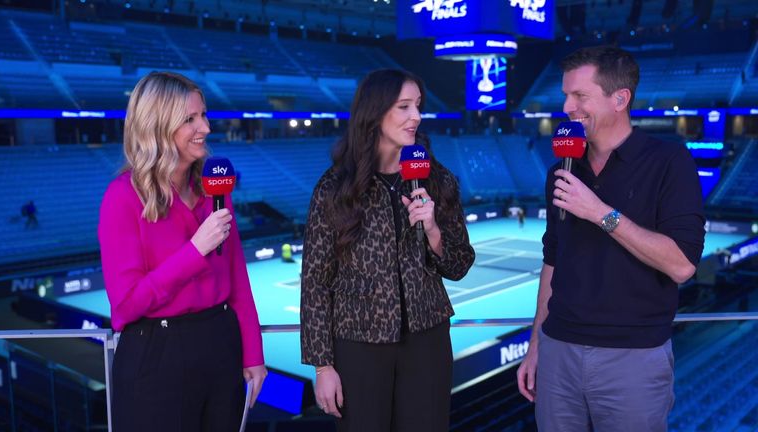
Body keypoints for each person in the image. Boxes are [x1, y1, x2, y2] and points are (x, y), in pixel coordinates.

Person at [516, 45, 705, 432]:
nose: (567, 107)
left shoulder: (670, 162)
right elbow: (553, 261)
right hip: (558, 351)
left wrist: (600, 212)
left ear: (621, 98)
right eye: (566, 95)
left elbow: (682, 265)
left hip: (633, 357)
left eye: (580, 96)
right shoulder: (561, 171)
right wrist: (536, 342)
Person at [300, 69, 475, 432]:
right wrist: (322, 365)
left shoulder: (436, 179)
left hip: (427, 342)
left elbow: (460, 264)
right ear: (375, 113)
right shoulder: (335, 188)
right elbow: (316, 280)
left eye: (419, 106)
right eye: (404, 107)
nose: (417, 116)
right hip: (358, 346)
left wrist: (433, 230)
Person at [98, 71, 267, 432]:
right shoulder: (122, 197)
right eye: (189, 119)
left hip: (221, 346)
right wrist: (194, 251)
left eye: (203, 115)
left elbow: (238, 281)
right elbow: (126, 305)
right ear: (157, 126)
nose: (204, 127)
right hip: (156, 353)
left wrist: (253, 354)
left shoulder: (215, 190)